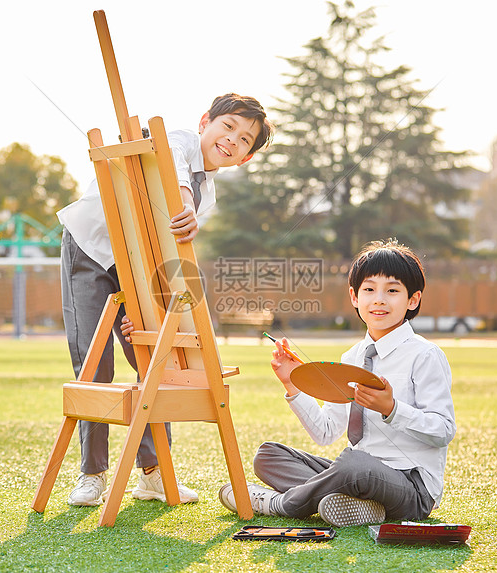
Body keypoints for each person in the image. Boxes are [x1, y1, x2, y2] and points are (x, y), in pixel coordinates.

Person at [57, 93, 273, 507]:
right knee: (93, 359)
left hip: (139, 260)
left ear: (246, 158)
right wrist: (183, 200)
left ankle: (154, 473)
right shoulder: (176, 141)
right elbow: (168, 163)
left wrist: (148, 313)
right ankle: (92, 474)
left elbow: (166, 256)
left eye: (244, 140)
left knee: (153, 355)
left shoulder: (208, 196)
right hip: (91, 245)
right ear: (205, 121)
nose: (231, 140)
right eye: (228, 127)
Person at [218, 239, 456, 526]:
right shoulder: (352, 356)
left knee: (354, 464)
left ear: (413, 300)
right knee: (268, 455)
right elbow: (326, 432)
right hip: (358, 476)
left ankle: (282, 503)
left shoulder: (425, 355)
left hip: (411, 489)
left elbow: (443, 430)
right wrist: (292, 384)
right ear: (355, 297)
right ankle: (357, 505)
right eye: (369, 290)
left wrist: (392, 409)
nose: (379, 299)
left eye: (392, 290)